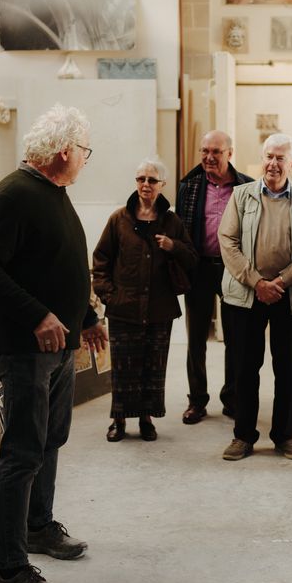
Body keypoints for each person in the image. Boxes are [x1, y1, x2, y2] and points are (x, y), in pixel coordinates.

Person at [0, 103, 108, 583]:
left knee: (51, 439)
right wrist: (38, 315)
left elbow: (57, 264)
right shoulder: (13, 195)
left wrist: (86, 317)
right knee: (22, 452)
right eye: (84, 151)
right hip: (28, 349)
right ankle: (10, 569)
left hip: (61, 346)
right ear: (64, 151)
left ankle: (38, 526)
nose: (86, 159)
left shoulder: (53, 191)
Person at [218, 133, 292, 461]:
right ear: (261, 158)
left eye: (280, 158)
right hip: (248, 296)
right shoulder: (241, 196)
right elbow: (228, 241)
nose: (273, 163)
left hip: (288, 296)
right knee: (245, 368)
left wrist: (280, 281)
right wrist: (256, 282)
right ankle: (243, 436)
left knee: (287, 369)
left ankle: (284, 436)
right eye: (268, 156)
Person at [93, 158, 197, 442]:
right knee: (123, 368)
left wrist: (172, 246)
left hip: (159, 309)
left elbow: (191, 258)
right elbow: (101, 259)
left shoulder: (171, 221)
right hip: (123, 307)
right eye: (141, 179)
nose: (145, 185)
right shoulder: (119, 219)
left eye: (152, 180)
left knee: (153, 366)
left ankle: (146, 419)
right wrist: (109, 295)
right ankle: (118, 420)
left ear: (162, 185)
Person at [176, 130, 252, 424]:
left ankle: (232, 398)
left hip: (234, 269)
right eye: (204, 151)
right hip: (200, 268)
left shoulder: (246, 186)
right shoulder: (190, 186)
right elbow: (181, 231)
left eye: (215, 152)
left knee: (235, 337)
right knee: (196, 338)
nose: (208, 157)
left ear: (229, 154)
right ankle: (197, 401)